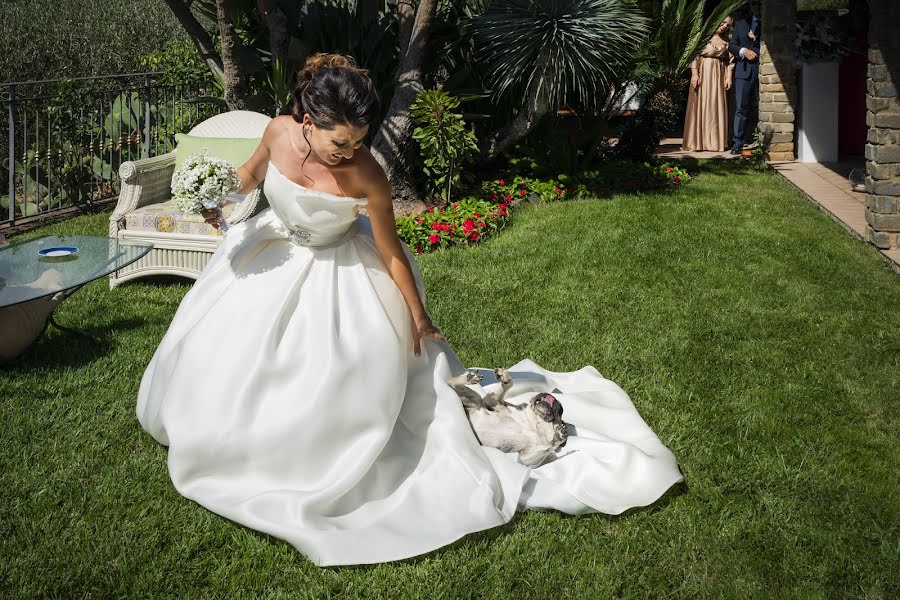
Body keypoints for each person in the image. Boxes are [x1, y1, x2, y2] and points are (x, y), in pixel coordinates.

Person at [137, 53, 684, 567]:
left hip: (341, 271)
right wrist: (214, 193)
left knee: (331, 370)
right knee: (233, 353)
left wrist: (418, 316)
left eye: (357, 142)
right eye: (337, 140)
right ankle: (233, 435)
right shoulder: (278, 130)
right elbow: (252, 175)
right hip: (273, 250)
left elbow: (393, 252)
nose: (346, 152)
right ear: (307, 119)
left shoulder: (366, 174)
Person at [682, 16, 736, 152]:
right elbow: (693, 55)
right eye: (723, 22)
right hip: (703, 73)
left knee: (715, 106)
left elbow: (731, 60)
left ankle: (715, 143)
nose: (724, 26)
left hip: (719, 75)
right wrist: (695, 73)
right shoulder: (702, 36)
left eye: (728, 25)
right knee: (702, 104)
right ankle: (697, 142)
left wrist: (729, 77)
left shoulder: (727, 40)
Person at [728, 1, 762, 154]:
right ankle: (737, 143)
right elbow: (732, 45)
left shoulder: (768, 24)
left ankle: (760, 142)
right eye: (755, 4)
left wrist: (756, 49)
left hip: (762, 71)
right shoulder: (741, 24)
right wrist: (743, 51)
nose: (757, 6)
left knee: (760, 108)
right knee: (741, 108)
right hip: (744, 71)